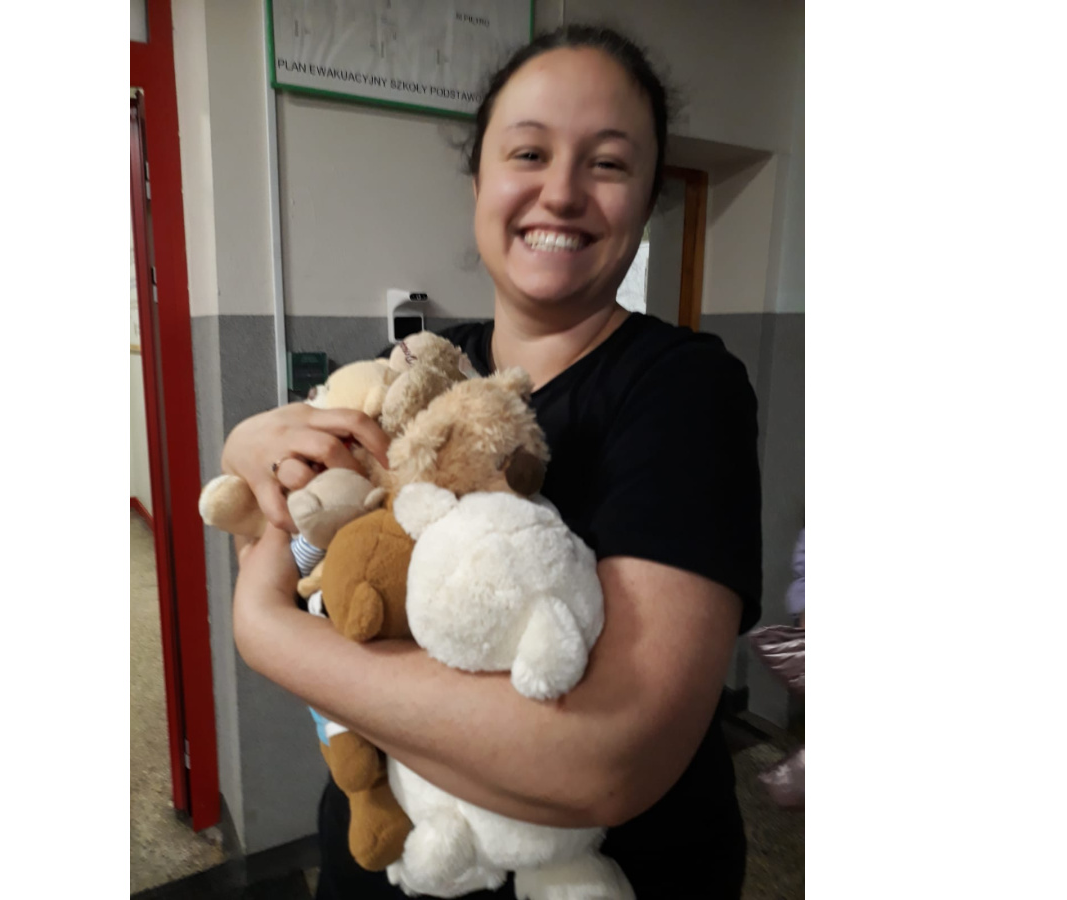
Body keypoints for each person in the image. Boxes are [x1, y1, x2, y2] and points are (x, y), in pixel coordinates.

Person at [222, 25, 762, 899]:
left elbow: (607, 759)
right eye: (529, 153)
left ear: (647, 196)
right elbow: (304, 549)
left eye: (608, 163)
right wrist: (248, 451)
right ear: (479, 180)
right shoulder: (410, 373)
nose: (563, 191)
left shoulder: (683, 389)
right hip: (382, 856)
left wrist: (266, 632)